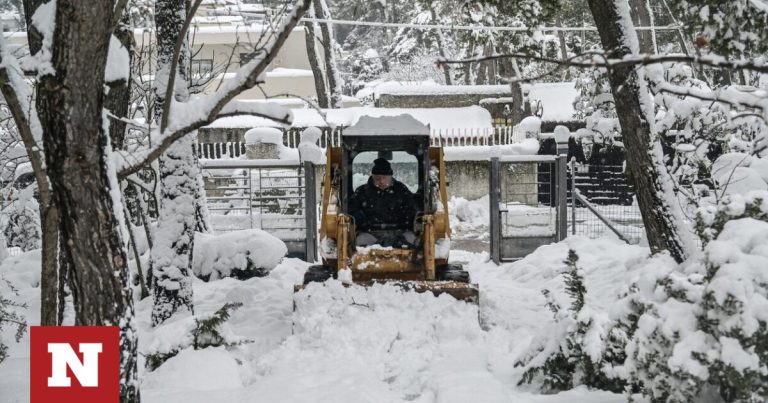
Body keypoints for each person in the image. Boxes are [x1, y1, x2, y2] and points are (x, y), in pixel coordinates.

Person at [349, 157, 417, 247]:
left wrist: (407, 217)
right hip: (370, 234)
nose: (381, 181)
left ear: (391, 176)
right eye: (377, 178)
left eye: (384, 178)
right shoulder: (362, 192)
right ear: (372, 177)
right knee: (360, 242)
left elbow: (413, 209)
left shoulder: (401, 190)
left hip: (400, 233)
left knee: (413, 241)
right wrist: (358, 217)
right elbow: (351, 211)